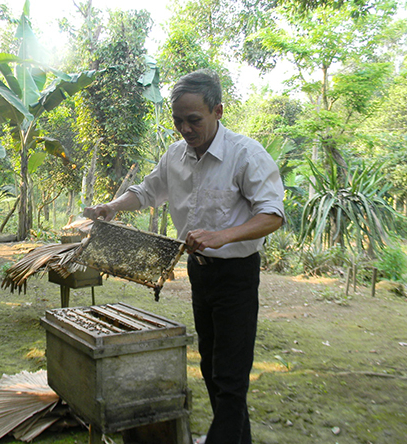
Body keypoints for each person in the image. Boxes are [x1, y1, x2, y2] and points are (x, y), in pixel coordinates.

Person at [83, 69, 284, 444]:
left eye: (194, 120)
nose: (185, 129)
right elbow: (146, 192)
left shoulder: (245, 155)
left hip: (237, 276)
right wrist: (112, 206)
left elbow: (272, 214)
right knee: (210, 366)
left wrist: (221, 236)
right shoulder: (174, 155)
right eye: (178, 120)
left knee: (231, 375)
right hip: (199, 274)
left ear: (218, 111)